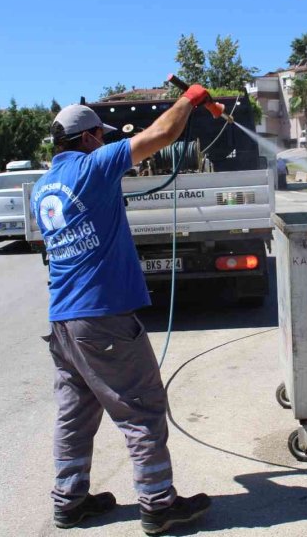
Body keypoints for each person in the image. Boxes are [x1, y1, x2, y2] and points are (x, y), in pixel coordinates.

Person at [30, 86, 216, 533]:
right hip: (103, 316)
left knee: (75, 414)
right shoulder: (94, 166)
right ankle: (158, 504)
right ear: (90, 138)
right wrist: (190, 100)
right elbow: (162, 133)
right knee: (142, 408)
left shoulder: (42, 187)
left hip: (64, 322)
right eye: (102, 135)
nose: (106, 140)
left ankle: (69, 501)